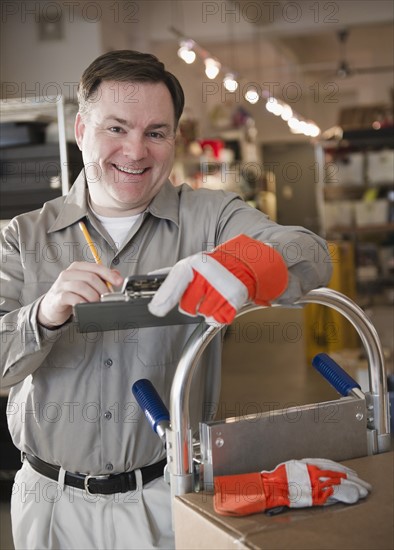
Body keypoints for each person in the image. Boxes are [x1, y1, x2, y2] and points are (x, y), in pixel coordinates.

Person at [0, 50, 332, 550]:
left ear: (173, 139)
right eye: (117, 128)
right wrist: (43, 316)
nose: (136, 151)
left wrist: (241, 263)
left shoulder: (211, 218)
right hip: (51, 505)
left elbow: (309, 253)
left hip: (166, 495)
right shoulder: (22, 238)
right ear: (81, 130)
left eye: (155, 132)